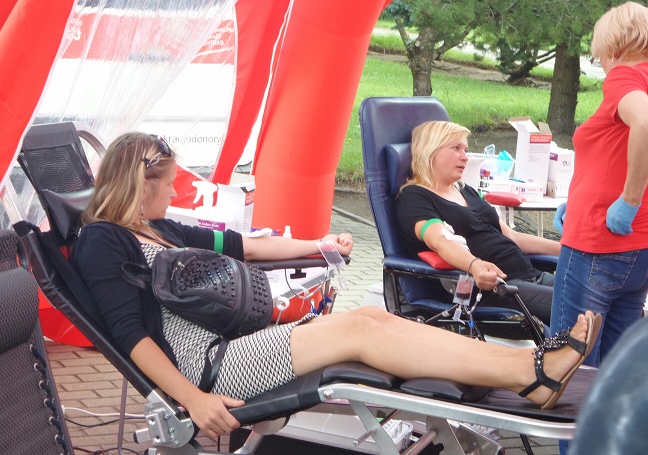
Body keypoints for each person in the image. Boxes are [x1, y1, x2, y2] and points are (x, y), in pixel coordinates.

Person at [72, 132, 599, 439]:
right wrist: (192, 399)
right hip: (208, 366)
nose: (174, 193)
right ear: (140, 184)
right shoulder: (104, 240)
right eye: (168, 185)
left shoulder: (159, 228)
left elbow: (246, 246)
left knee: (371, 318)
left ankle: (529, 372)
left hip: (236, 343)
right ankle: (529, 374)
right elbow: (130, 333)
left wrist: (318, 243)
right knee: (358, 330)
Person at [551, 1, 648, 368]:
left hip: (598, 241)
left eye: (600, 56)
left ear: (616, 47)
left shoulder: (625, 76)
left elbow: (645, 124)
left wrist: (629, 199)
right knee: (614, 369)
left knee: (569, 364)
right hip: (639, 248)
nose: (603, 65)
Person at [395, 121, 561, 325]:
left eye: (465, 149)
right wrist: (475, 266)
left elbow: (512, 236)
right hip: (495, 289)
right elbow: (440, 240)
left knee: (593, 291)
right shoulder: (414, 198)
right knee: (581, 305)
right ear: (430, 151)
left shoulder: (465, 190)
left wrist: (564, 249)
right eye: (456, 148)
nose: (465, 157)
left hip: (530, 276)